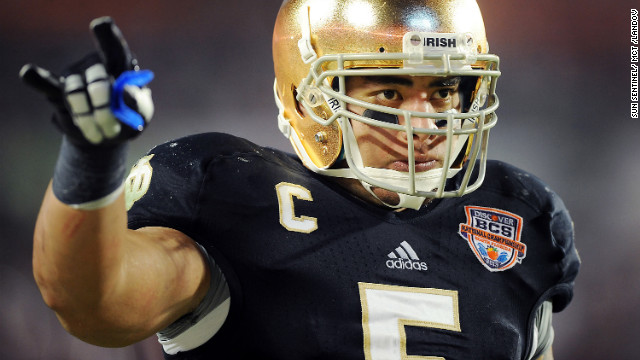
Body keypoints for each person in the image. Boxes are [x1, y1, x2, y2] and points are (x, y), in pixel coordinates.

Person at [21, 0, 580, 359]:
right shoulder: (237, 193)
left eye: (444, 90)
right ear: (307, 100)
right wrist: (89, 162)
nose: (428, 122)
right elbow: (90, 304)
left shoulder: (519, 217)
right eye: (389, 92)